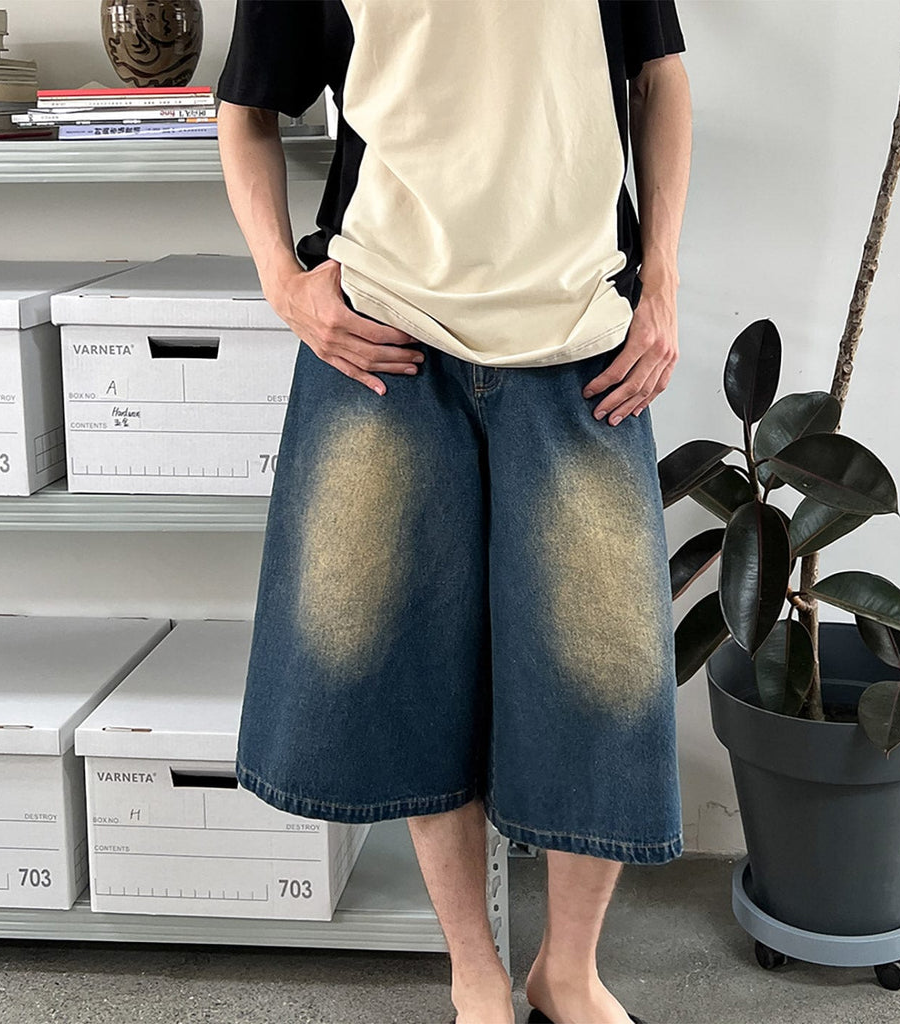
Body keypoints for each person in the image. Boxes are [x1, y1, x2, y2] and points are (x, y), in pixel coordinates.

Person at [215, 2, 692, 1022]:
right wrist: (284, 287)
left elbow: (659, 75)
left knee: (605, 676)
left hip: (583, 338)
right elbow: (246, 108)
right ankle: (473, 968)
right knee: (409, 666)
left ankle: (568, 972)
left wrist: (660, 281)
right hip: (385, 337)